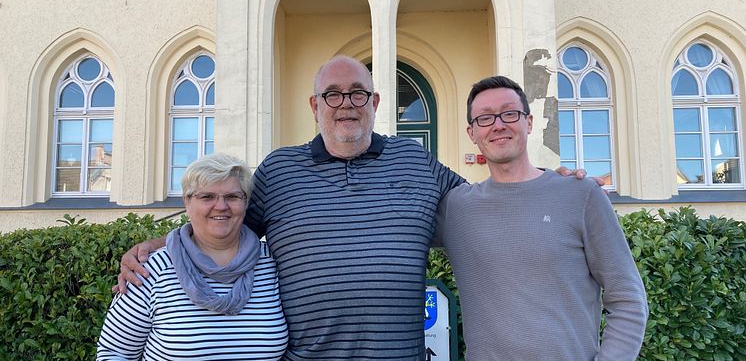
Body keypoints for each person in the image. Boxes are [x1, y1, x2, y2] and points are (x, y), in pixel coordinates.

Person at [116, 56, 595, 360]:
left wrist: (552, 187)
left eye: (358, 94)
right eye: (333, 95)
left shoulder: (415, 161)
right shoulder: (280, 170)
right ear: (315, 105)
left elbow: (487, 209)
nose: (347, 104)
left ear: (375, 101)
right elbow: (223, 226)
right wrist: (158, 246)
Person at [436, 76, 648, 360]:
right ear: (471, 133)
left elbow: (628, 300)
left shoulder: (581, 195)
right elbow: (388, 230)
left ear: (529, 122)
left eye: (509, 113)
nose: (498, 125)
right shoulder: (456, 208)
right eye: (485, 118)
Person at [97, 153, 288, 360]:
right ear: (187, 202)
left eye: (233, 197)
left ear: (246, 203)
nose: (221, 206)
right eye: (207, 197)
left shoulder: (272, 264)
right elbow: (114, 353)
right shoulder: (151, 270)